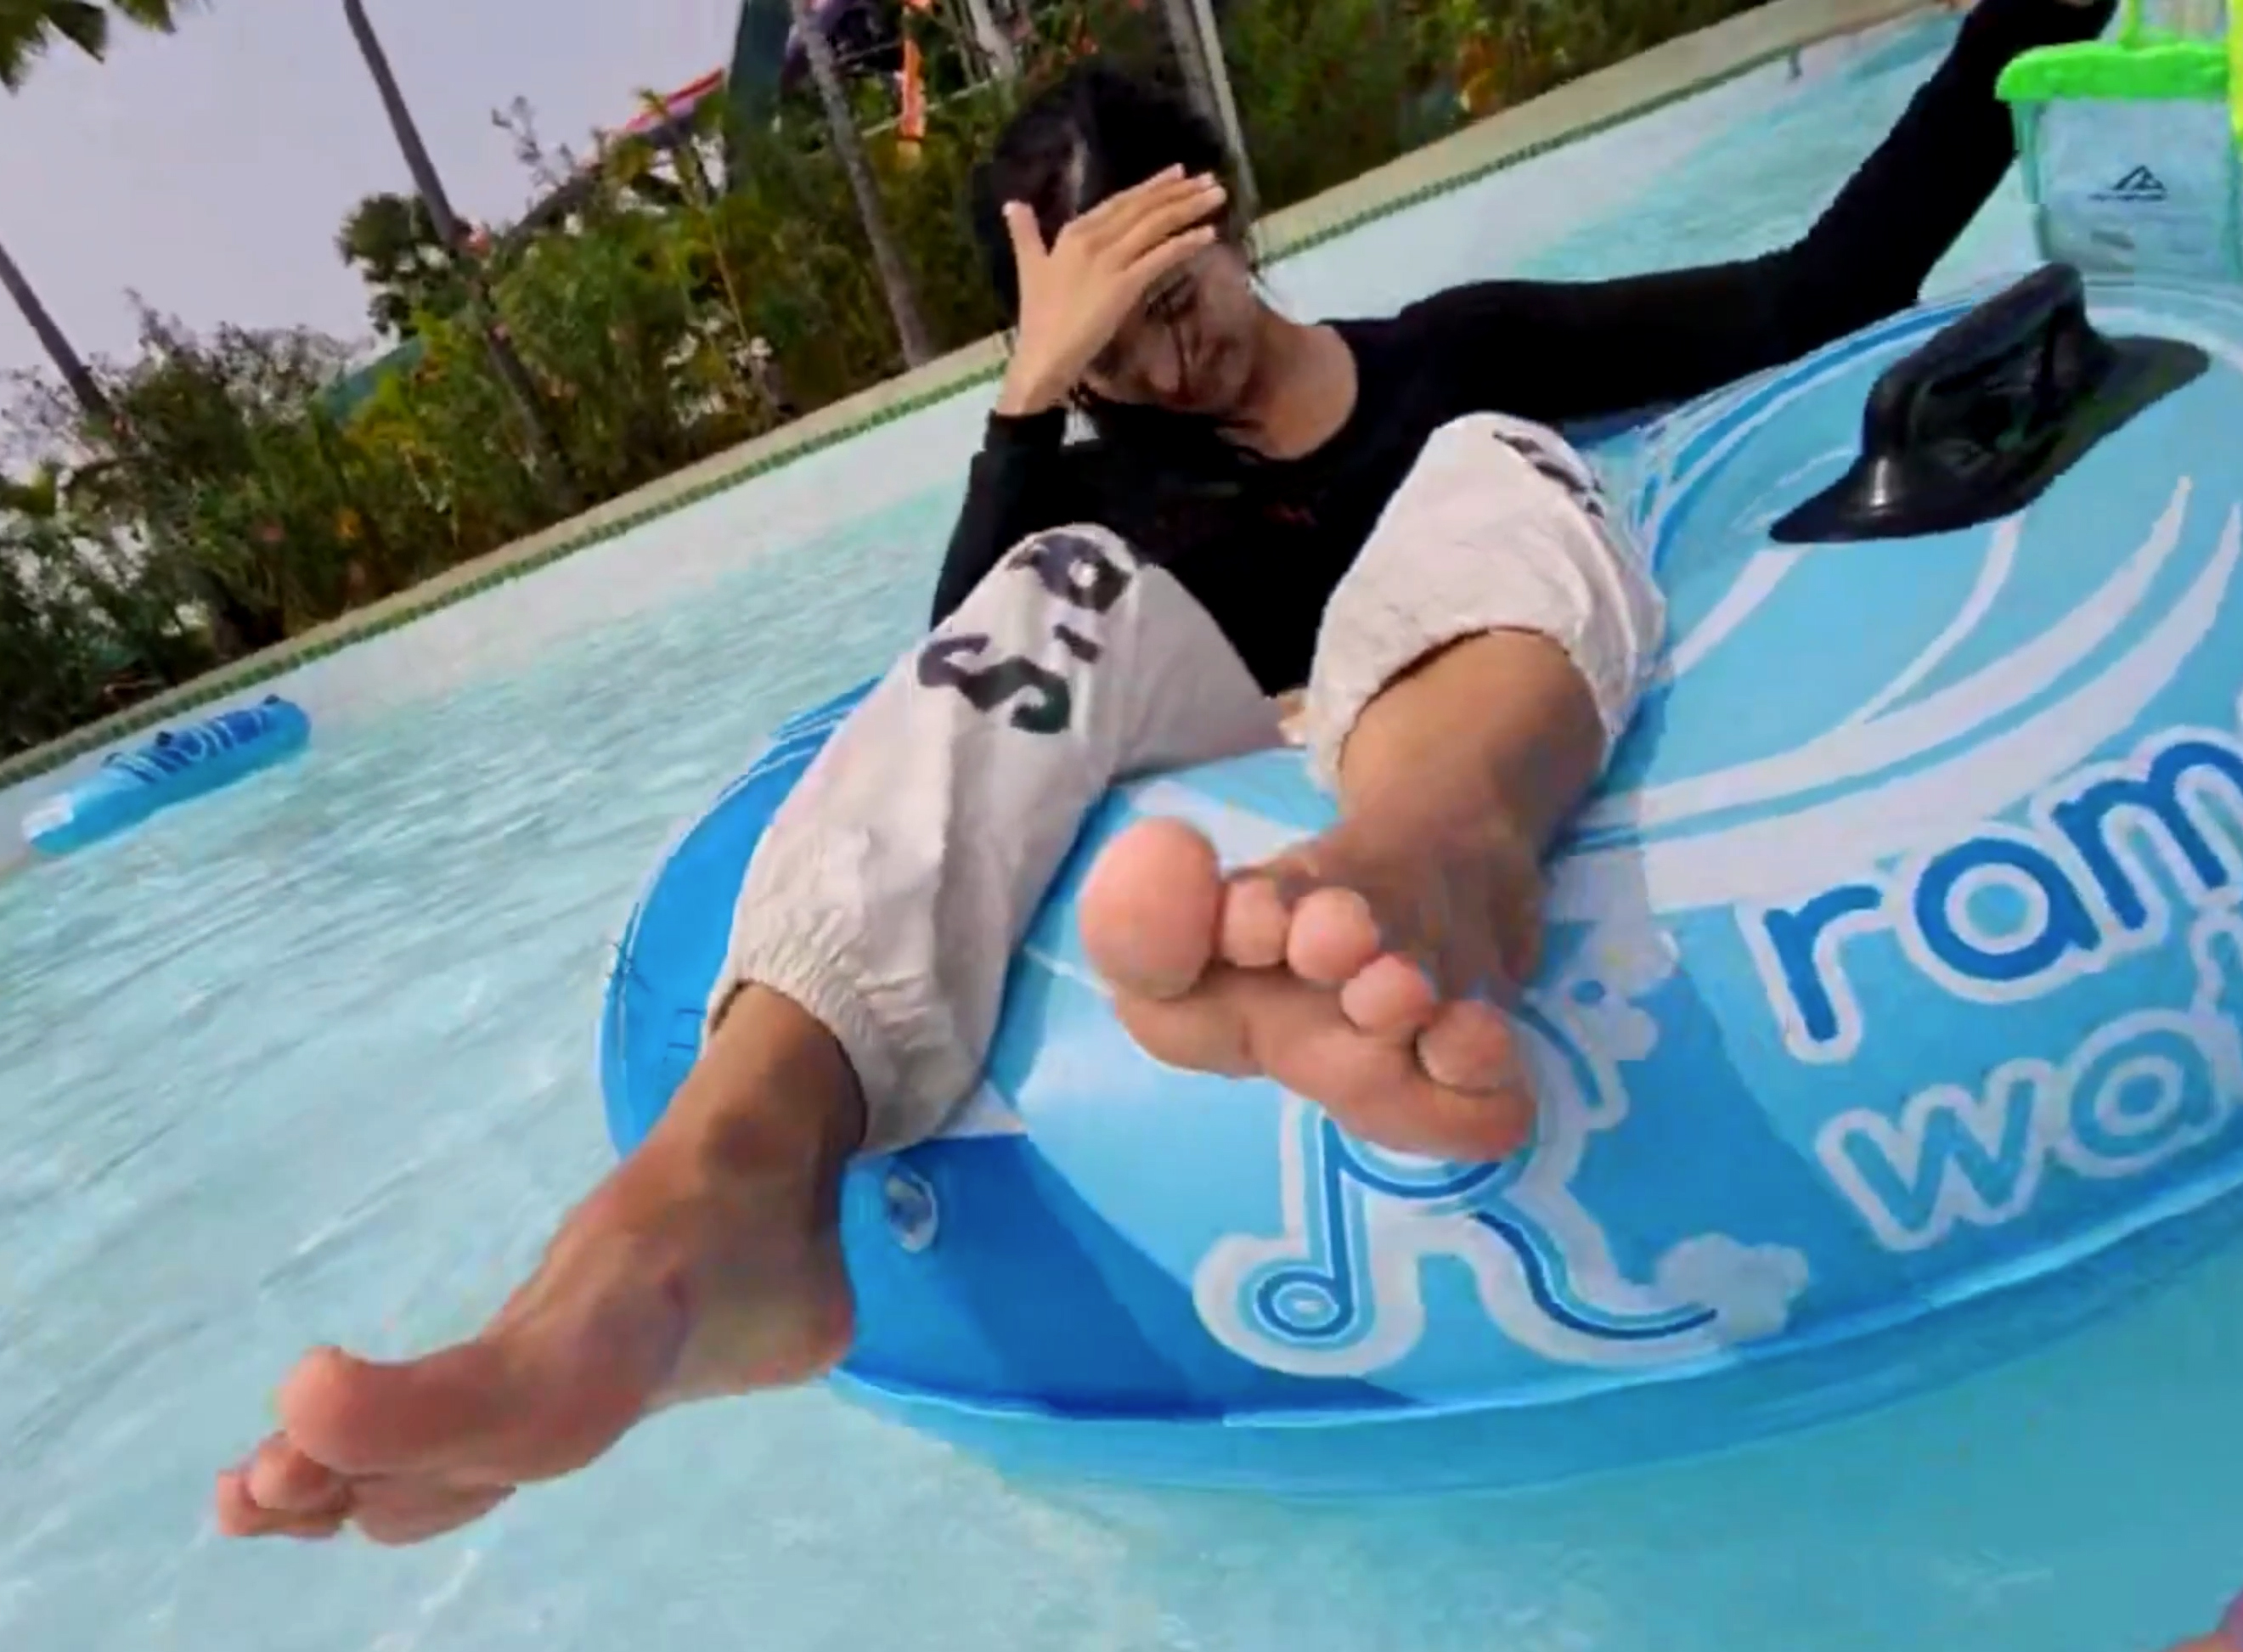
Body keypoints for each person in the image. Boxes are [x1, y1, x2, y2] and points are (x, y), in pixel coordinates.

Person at [217, 0, 2111, 1546]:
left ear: (1219, 221)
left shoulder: (1446, 356)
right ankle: (709, 1197)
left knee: (1494, 457)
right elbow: (945, 696)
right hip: (1207, 745)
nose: (1166, 365)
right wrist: (1028, 407)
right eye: (1106, 343)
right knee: (1052, 590)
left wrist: (2013, 33)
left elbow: (1808, 296)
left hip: (1434, 718)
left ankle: (1428, 866)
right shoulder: (1105, 492)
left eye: (1172, 295)